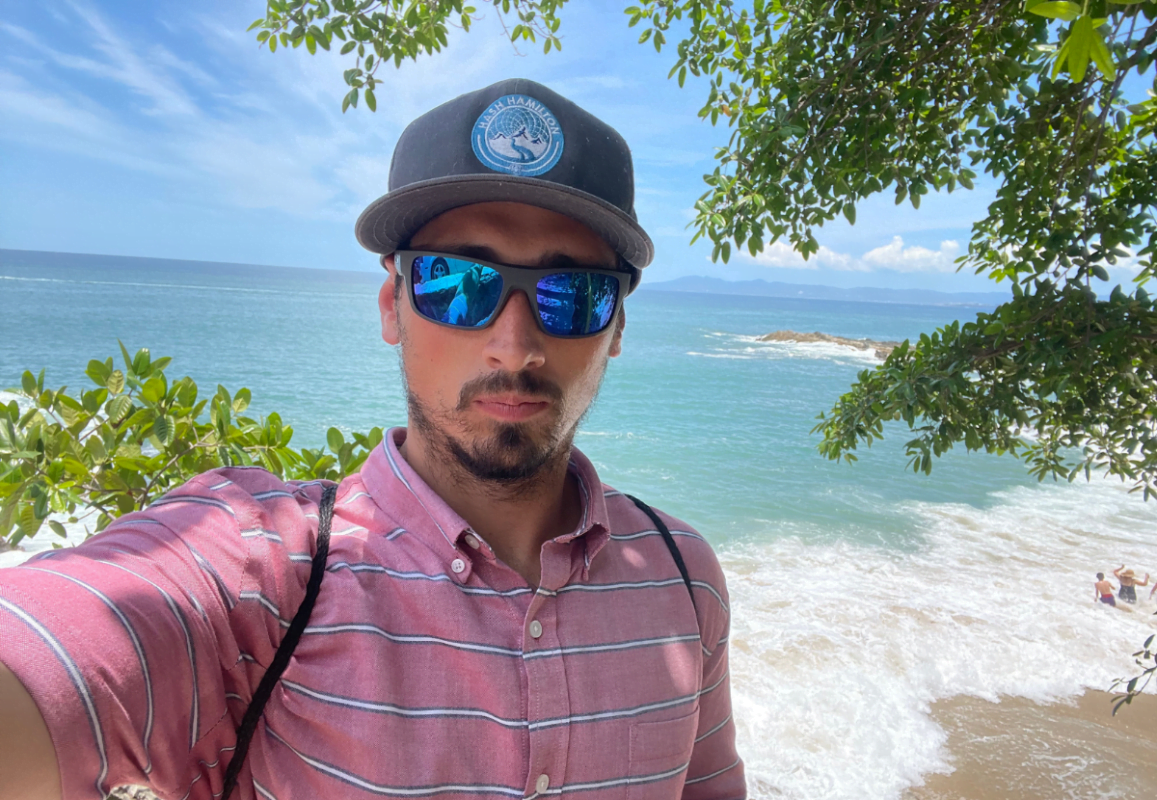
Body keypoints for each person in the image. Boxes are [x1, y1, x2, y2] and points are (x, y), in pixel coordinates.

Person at [0, 80, 745, 800]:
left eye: (572, 295)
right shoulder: (270, 574)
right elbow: (70, 634)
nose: (513, 348)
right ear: (393, 307)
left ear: (614, 328)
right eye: (458, 283)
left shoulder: (682, 577)